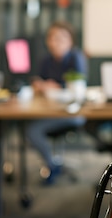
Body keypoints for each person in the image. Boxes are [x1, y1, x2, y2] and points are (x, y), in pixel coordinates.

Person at [27, 21, 87, 185]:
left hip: (72, 113)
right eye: (52, 38)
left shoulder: (75, 58)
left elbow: (76, 87)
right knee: (29, 126)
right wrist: (42, 85)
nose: (55, 42)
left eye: (60, 38)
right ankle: (53, 163)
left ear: (70, 41)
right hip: (49, 111)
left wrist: (55, 86)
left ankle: (52, 165)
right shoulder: (46, 60)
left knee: (33, 131)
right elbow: (37, 82)